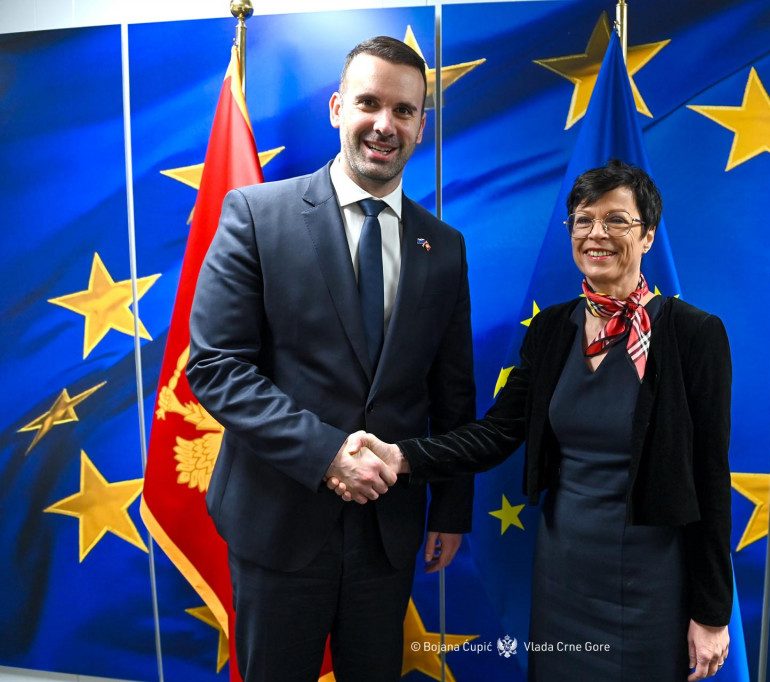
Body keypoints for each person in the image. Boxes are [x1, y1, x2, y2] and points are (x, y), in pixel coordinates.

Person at [335, 160, 733, 681]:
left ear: (648, 235)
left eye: (616, 220)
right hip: (562, 573)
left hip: (653, 580)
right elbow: (497, 432)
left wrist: (712, 613)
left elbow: (710, 478)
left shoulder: (694, 336)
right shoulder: (550, 329)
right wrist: (401, 456)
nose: (596, 233)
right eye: (583, 220)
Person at [186, 36, 476, 682]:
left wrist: (451, 508)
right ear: (338, 108)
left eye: (404, 110)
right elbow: (215, 366)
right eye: (369, 103)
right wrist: (328, 454)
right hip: (278, 519)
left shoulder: (444, 246)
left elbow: (452, 390)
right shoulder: (256, 215)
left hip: (389, 530)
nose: (385, 124)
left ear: (421, 125)